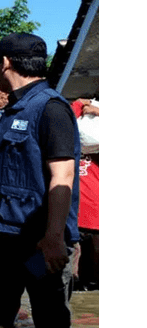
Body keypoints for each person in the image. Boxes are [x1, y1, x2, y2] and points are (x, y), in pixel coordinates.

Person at [0, 33, 81, 328]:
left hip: (39, 243)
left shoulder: (51, 108)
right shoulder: (8, 113)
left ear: (5, 63)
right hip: (3, 241)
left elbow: (64, 176)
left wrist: (55, 238)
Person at [70, 98, 99, 291]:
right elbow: (71, 111)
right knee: (72, 273)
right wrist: (83, 105)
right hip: (75, 212)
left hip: (95, 214)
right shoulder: (76, 124)